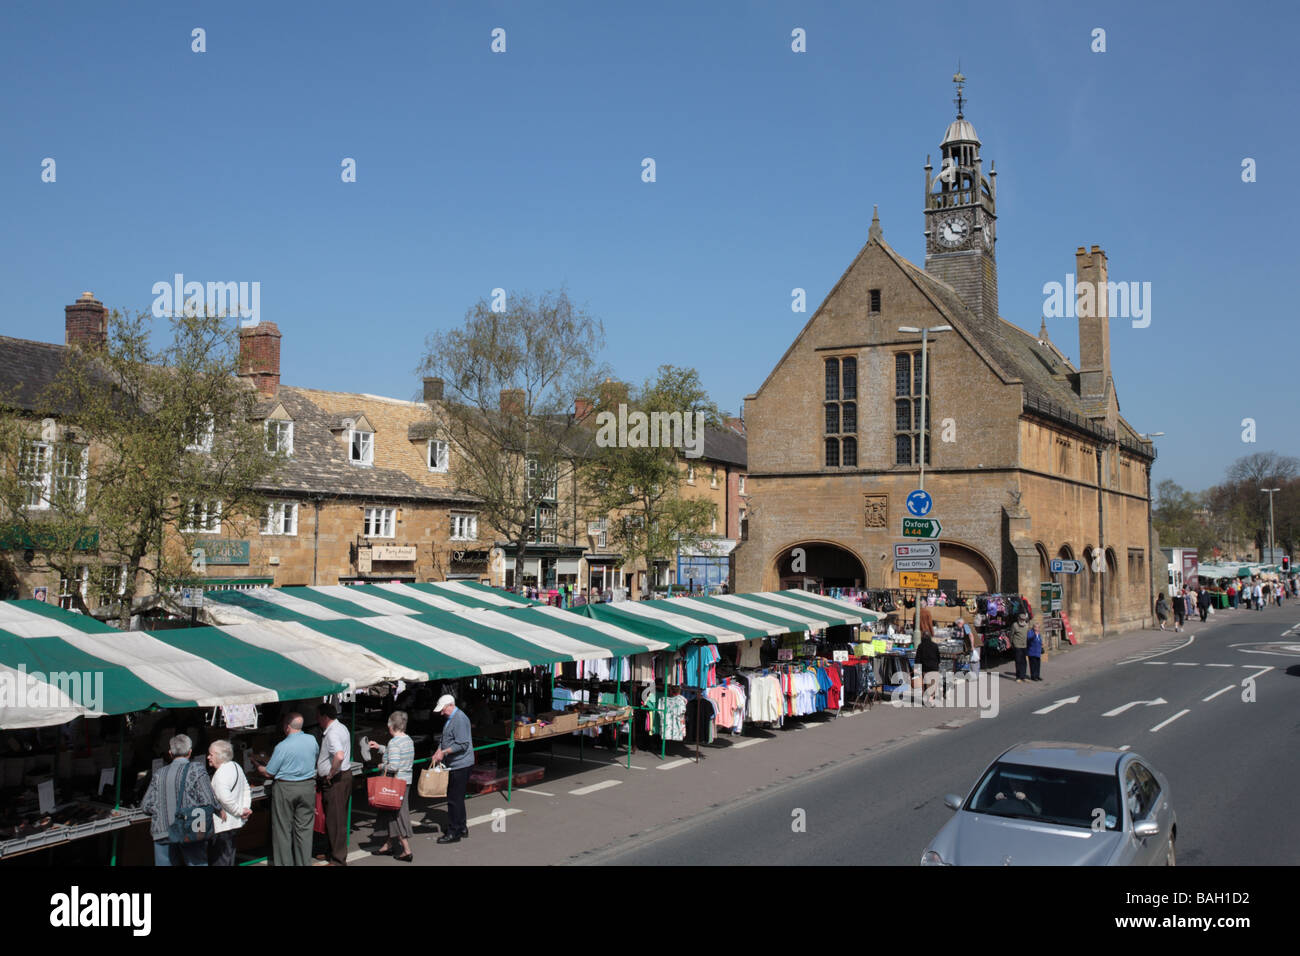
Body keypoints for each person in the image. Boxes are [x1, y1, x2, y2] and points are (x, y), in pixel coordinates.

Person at [140, 734, 216, 867]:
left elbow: (145, 805)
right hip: (191, 829)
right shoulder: (197, 769)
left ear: (170, 753)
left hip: (163, 830)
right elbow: (209, 800)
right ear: (190, 752)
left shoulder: (159, 774)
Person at [256, 713, 318, 867]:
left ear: (287, 727)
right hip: (308, 785)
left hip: (286, 787)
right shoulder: (312, 740)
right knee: (304, 830)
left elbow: (269, 772)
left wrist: (258, 766)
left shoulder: (282, 746)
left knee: (283, 830)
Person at [369, 710, 415, 861]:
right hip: (406, 781)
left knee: (395, 816)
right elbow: (398, 754)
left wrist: (382, 765)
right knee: (394, 814)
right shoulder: (407, 740)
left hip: (394, 783)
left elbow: (394, 765)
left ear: (392, 725)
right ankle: (387, 845)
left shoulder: (394, 742)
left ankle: (406, 850)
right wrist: (380, 747)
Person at [431, 694, 475, 843]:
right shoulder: (453, 719)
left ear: (450, 705)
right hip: (457, 763)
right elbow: (446, 739)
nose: (442, 713)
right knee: (457, 798)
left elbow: (462, 744)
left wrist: (443, 752)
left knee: (454, 799)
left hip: (460, 764)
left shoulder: (460, 719)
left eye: (443, 710)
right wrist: (439, 749)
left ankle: (454, 831)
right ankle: (461, 827)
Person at [316, 703, 353, 866]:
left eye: (318, 717)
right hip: (343, 776)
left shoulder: (332, 733)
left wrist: (331, 773)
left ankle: (338, 859)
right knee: (334, 818)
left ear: (324, 717)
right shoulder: (341, 727)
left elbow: (339, 755)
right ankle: (332, 852)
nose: (317, 720)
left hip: (337, 779)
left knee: (336, 820)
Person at [207, 739, 252, 866]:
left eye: (211, 754)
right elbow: (246, 789)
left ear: (220, 756)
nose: (208, 757)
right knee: (229, 857)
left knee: (221, 859)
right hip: (234, 823)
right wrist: (244, 808)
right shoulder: (236, 766)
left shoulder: (221, 773)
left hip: (223, 825)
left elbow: (224, 798)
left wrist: (240, 811)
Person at [916, 632, 942, 705]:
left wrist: (916, 668)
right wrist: (937, 664)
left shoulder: (920, 646)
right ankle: (931, 698)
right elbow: (938, 657)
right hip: (934, 667)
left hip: (925, 668)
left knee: (925, 683)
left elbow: (918, 658)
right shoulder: (935, 645)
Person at [1010, 613, 1029, 682]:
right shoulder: (1015, 625)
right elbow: (1011, 635)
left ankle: (1023, 676)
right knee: (1018, 661)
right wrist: (1011, 643)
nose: (1022, 620)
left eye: (1024, 619)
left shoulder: (1026, 625)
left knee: (1024, 661)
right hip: (1017, 645)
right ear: (1018, 619)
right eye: (1021, 619)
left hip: (1024, 645)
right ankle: (1018, 677)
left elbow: (1027, 635)